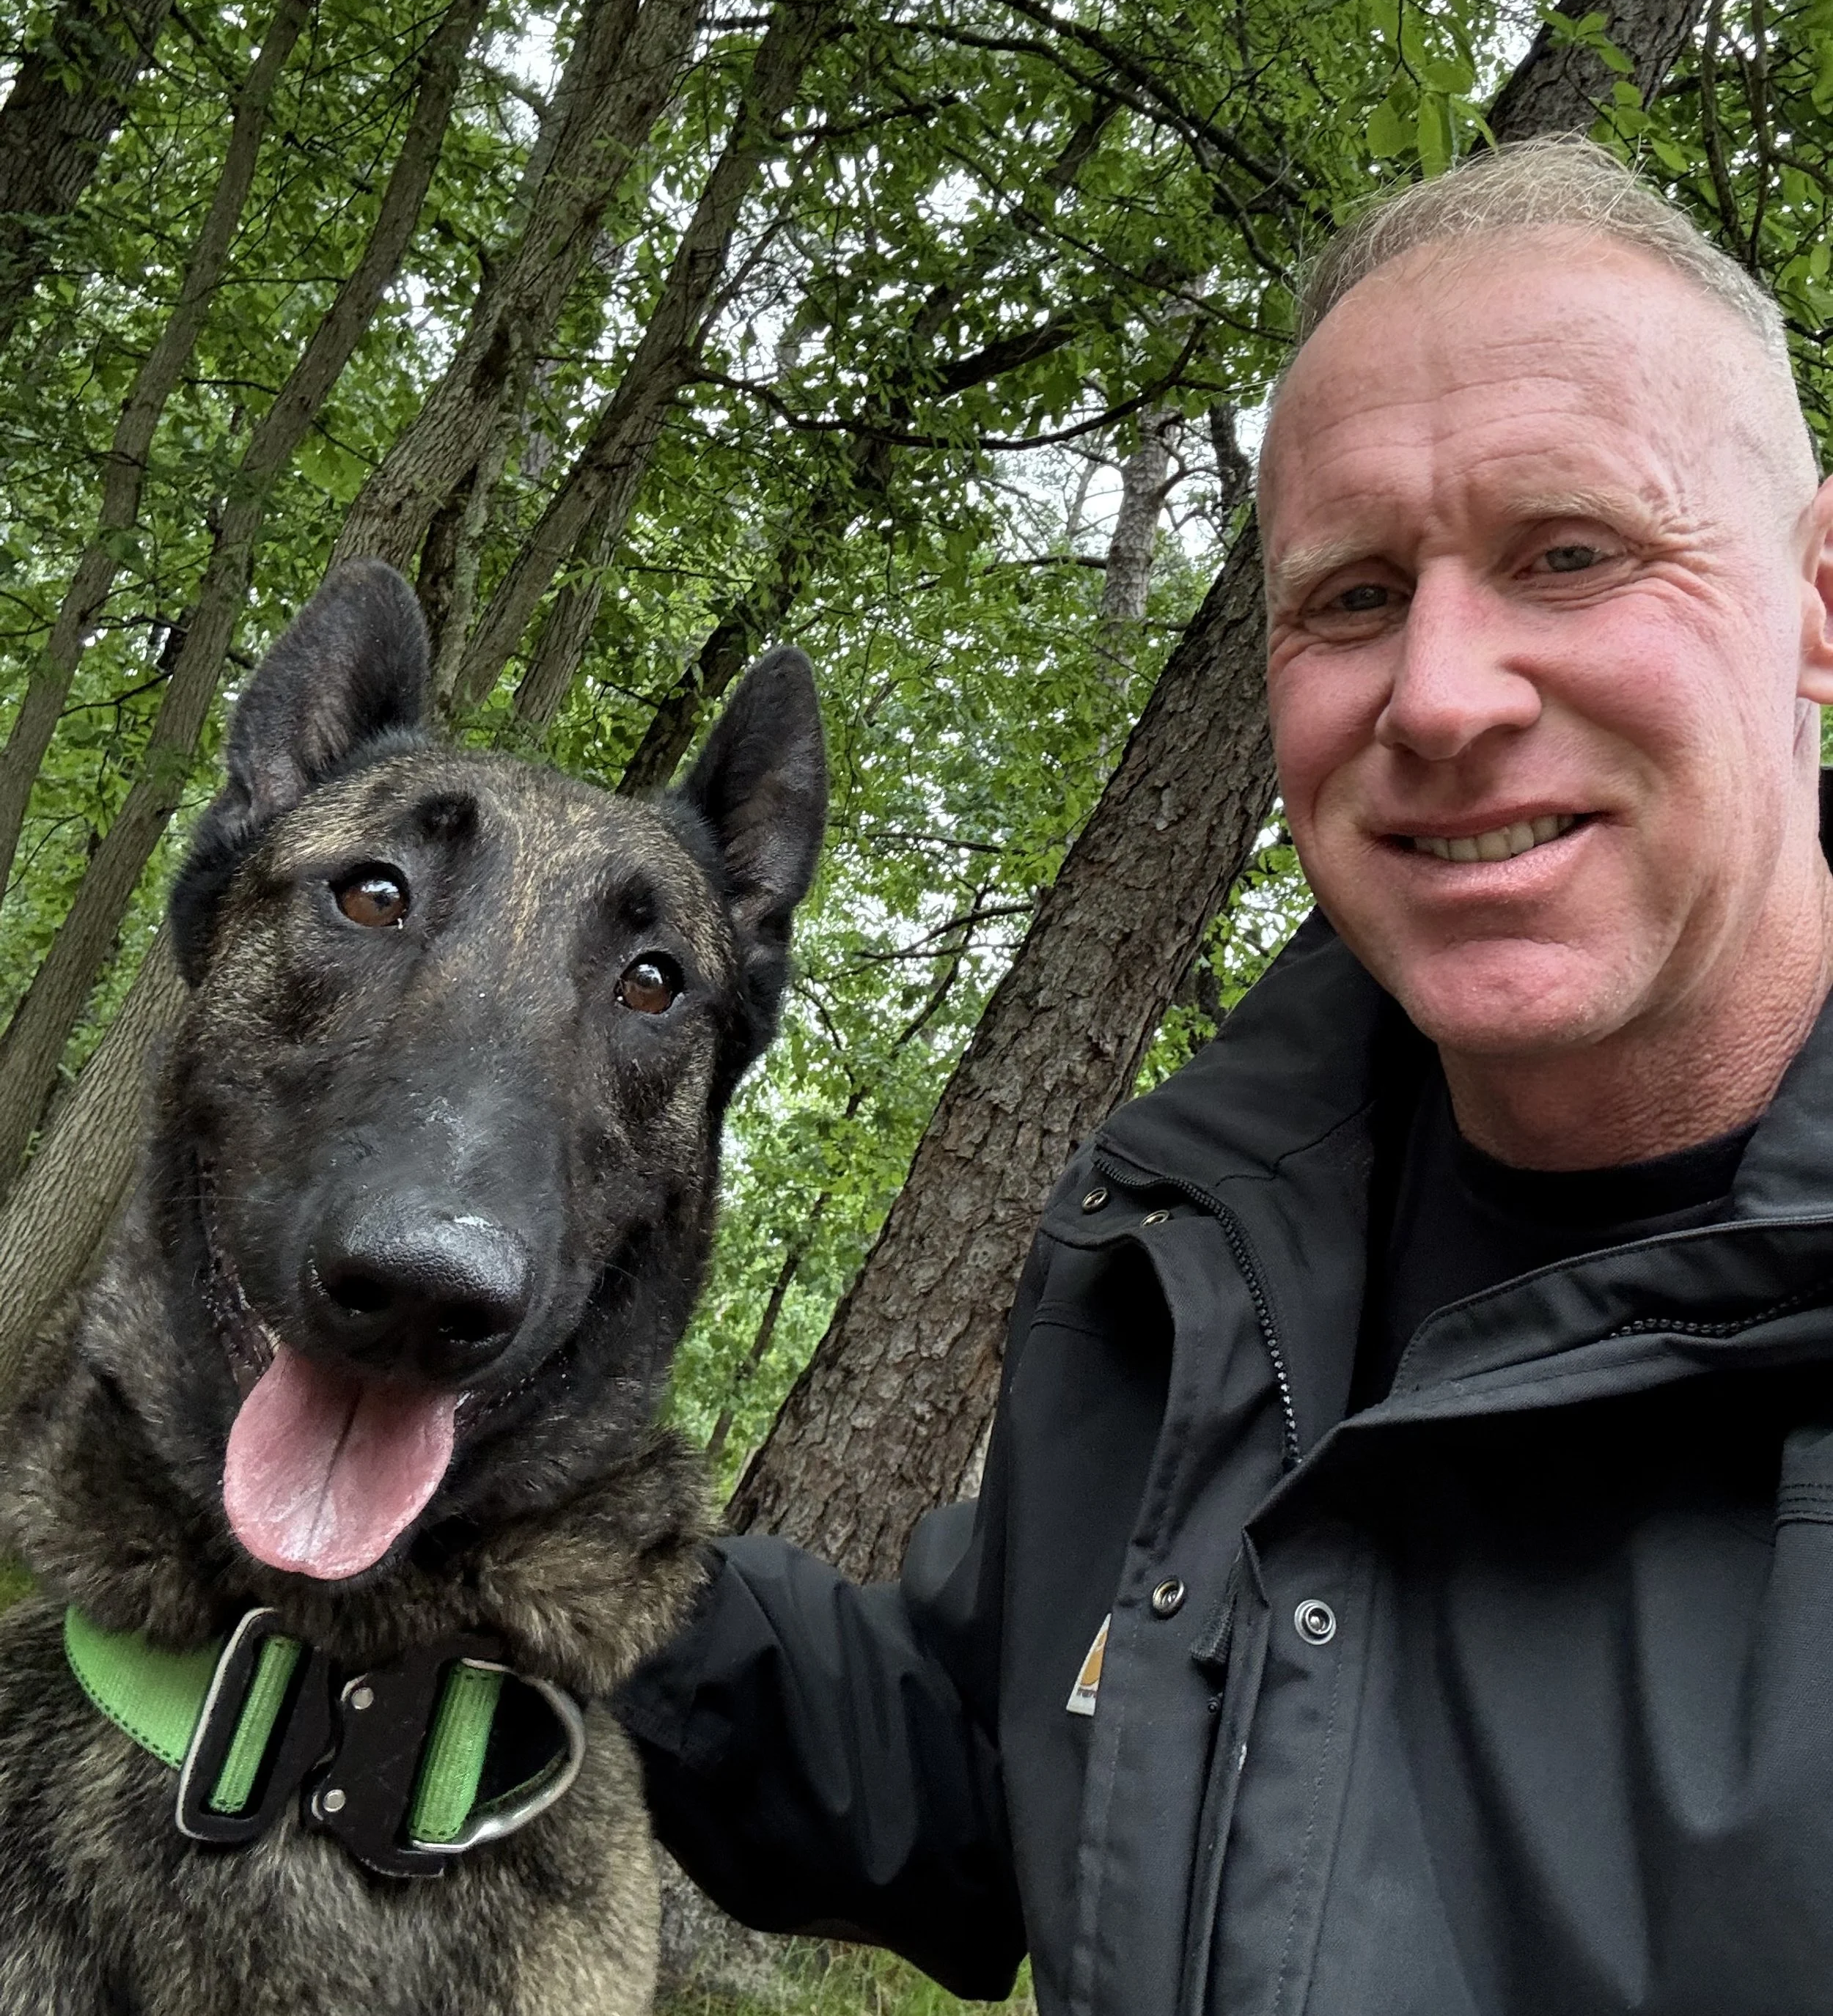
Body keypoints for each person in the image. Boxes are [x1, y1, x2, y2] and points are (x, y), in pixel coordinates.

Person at [619, 136, 1833, 2015]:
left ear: (1815, 598)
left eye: (1569, 553)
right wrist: (517, 1513)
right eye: (1348, 596)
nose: (1438, 694)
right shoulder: (1192, 1253)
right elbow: (985, 1768)